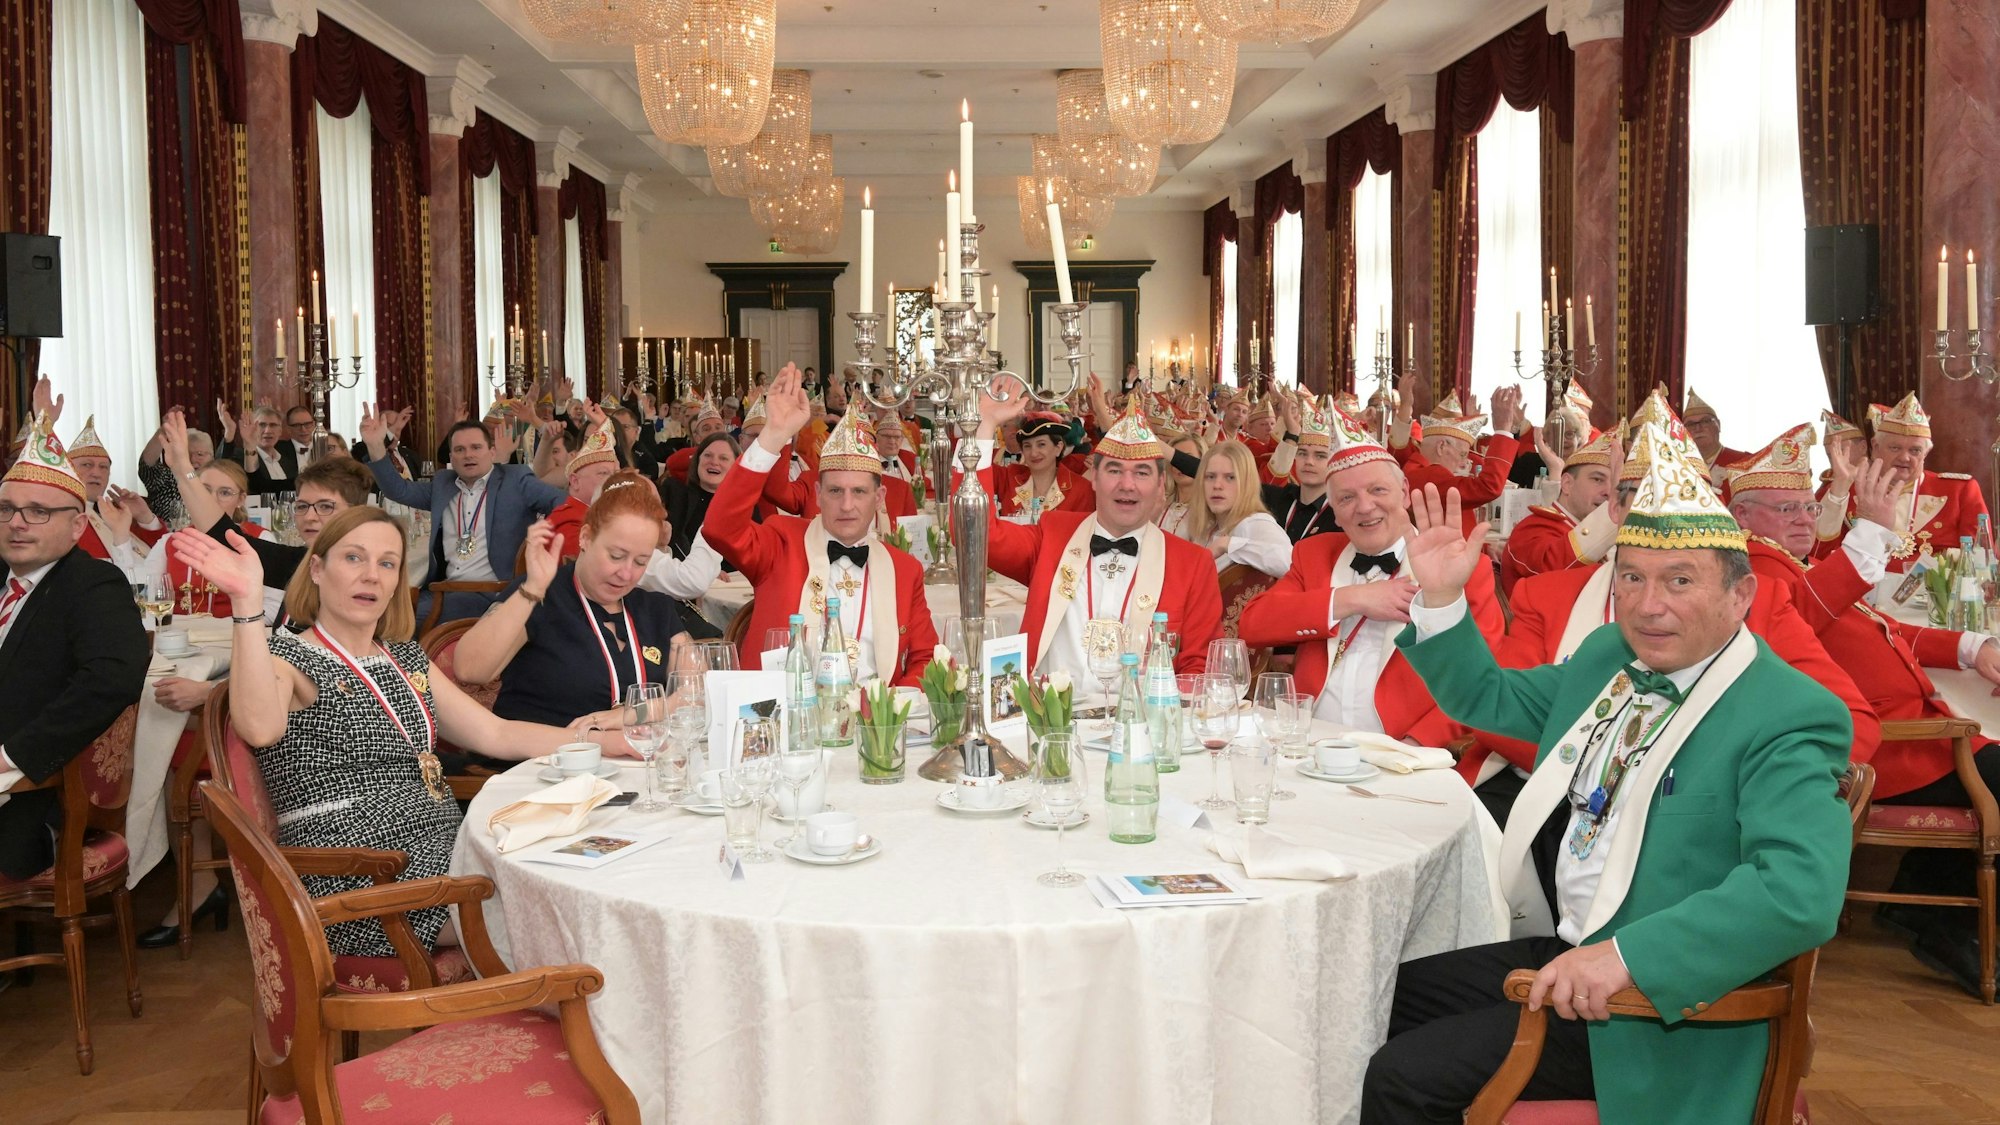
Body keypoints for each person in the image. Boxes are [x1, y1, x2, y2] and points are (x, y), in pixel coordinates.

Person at [1362, 428, 1852, 1125]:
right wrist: (1440, 599)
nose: (1648, 605)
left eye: (1680, 580)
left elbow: (1798, 892)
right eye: (1631, 577)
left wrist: (1625, 957)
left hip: (1657, 1006)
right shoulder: (1608, 659)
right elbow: (1492, 701)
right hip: (1570, 946)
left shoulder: (1789, 713)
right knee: (1368, 997)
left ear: (1741, 595)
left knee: (1402, 1078)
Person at [173, 506, 627, 958]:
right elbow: (257, 726)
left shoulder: (403, 657)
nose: (371, 575)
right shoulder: (287, 658)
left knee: (584, 869)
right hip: (365, 877)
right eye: (353, 558)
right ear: (316, 568)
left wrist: (608, 743)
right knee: (565, 910)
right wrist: (247, 605)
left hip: (444, 853)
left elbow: (497, 734)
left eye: (386, 563)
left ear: (396, 581)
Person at [1726, 425, 2000, 996]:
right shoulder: (1757, 568)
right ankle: (1951, 926)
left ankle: (1926, 908)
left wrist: (1974, 648)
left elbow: (1883, 629)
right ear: (1744, 517)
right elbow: (1808, 614)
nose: (1805, 519)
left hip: (1923, 740)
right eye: (1786, 509)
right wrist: (1872, 531)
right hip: (1892, 750)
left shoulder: (1788, 561)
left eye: (1807, 506)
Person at [1237, 406, 1500, 745]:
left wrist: (1415, 746)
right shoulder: (1315, 554)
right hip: (1309, 743)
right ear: (1334, 510)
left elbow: (1482, 679)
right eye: (1347, 498)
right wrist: (1351, 600)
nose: (1364, 507)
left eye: (1377, 491)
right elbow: (1253, 625)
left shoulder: (1460, 566)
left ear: (1404, 492)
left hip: (1401, 752)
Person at [704, 366, 939, 684]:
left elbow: (925, 658)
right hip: (786, 717)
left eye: (859, 492)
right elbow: (720, 528)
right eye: (834, 491)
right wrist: (773, 435)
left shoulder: (905, 569)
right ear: (817, 493)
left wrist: (887, 714)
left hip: (874, 722)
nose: (846, 505)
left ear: (879, 496)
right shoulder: (781, 541)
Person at [975, 389, 1221, 680]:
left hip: (1141, 719)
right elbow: (977, 535)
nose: (1126, 485)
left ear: (1160, 486)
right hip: (1051, 721)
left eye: (1141, 473)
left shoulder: (1193, 564)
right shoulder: (1053, 536)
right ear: (1093, 480)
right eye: (1114, 470)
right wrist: (983, 429)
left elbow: (1200, 672)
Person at [0, 417, 149, 881]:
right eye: (5, 509)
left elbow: (111, 680)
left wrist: (11, 759)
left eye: (38, 512)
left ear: (77, 524)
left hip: (33, 794)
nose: (17, 523)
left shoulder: (93, 585)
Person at [455, 475, 696, 733]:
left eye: (640, 562)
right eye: (616, 556)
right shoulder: (539, 595)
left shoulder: (655, 608)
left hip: (632, 764)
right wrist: (533, 589)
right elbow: (470, 669)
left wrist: (635, 713)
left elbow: (698, 694)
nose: (626, 574)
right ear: (585, 537)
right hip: (542, 764)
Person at [362, 406, 565, 625]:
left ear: (492, 452)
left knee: (396, 621)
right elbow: (398, 490)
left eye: (476, 447)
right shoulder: (443, 484)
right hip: (446, 589)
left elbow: (562, 503)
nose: (468, 455)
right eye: (459, 450)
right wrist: (375, 446)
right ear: (451, 457)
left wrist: (542, 540)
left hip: (496, 592)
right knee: (383, 609)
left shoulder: (515, 480)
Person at [1815, 392, 1989, 571]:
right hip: (1862, 596)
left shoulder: (1959, 491)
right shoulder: (1847, 490)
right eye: (1895, 448)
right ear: (1875, 447)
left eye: (1915, 450)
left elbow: (1983, 562)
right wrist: (1840, 490)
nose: (1905, 457)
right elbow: (1818, 555)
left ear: (1926, 453)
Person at [107, 460, 263, 615]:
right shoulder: (171, 541)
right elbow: (141, 591)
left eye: (225, 493)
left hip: (234, 636)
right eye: (205, 490)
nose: (212, 500)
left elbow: (273, 609)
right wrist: (120, 532)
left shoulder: (260, 539)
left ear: (241, 500)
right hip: (180, 636)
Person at [1499, 430, 1622, 596]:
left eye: (1615, 484)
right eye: (1598, 479)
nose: (1608, 491)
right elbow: (1555, 570)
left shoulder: (1577, 526)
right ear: (1566, 484)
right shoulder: (1531, 528)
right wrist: (1614, 512)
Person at [1397, 388, 1522, 534]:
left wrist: (1488, 547)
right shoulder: (1429, 476)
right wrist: (1503, 430)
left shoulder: (1416, 469)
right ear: (1442, 446)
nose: (1464, 462)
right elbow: (1489, 487)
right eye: (1462, 454)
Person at [1187, 441, 1292, 578]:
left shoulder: (1255, 523)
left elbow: (1292, 564)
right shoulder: (1208, 527)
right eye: (1210, 477)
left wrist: (1229, 544)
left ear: (1246, 483)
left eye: (1230, 477)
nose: (1217, 485)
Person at [1258, 395, 1343, 543]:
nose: (1309, 462)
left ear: (1334, 462)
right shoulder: (1275, 499)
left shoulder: (1340, 516)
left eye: (1320, 456)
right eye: (1302, 453)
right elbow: (1264, 480)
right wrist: (1292, 434)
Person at [990, 411, 1094, 520]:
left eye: (1041, 444)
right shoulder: (1009, 478)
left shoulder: (1080, 489)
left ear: (1058, 447)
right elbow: (979, 470)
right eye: (1027, 446)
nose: (1034, 453)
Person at [544, 413, 620, 559]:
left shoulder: (597, 515)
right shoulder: (569, 523)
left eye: (615, 473)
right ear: (575, 481)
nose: (612, 481)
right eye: (603, 473)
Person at [1680, 388, 1749, 474]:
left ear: (1718, 425)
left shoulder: (1744, 462)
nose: (1698, 428)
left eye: (1705, 421)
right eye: (1690, 424)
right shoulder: (1678, 466)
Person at [661, 401, 730, 483]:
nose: (713, 432)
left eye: (718, 427)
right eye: (707, 429)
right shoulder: (683, 456)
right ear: (697, 437)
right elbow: (672, 463)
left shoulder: (734, 453)